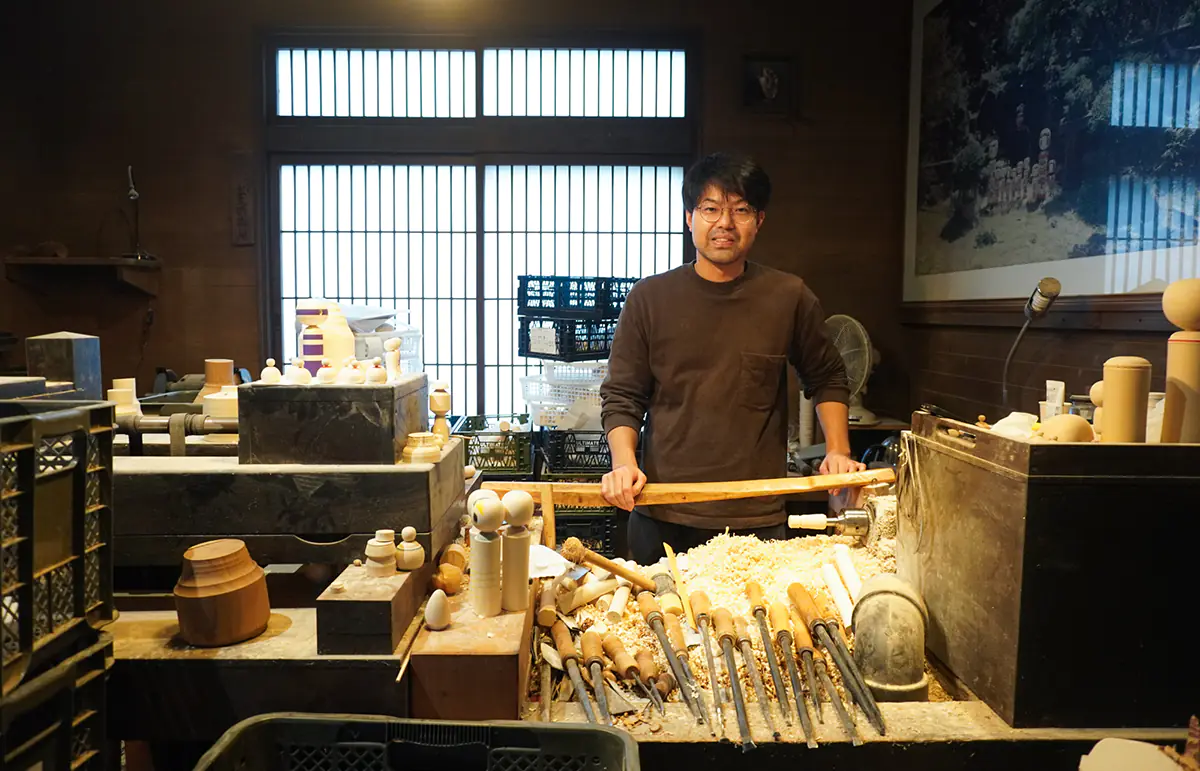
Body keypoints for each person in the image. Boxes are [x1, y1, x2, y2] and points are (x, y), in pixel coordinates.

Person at [599, 152, 865, 565]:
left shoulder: (788, 296)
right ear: (689, 218)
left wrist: (839, 451)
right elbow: (622, 395)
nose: (725, 222)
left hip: (755, 514)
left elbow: (827, 375)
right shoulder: (649, 298)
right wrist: (623, 464)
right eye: (710, 209)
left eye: (740, 210)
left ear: (759, 221)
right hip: (662, 510)